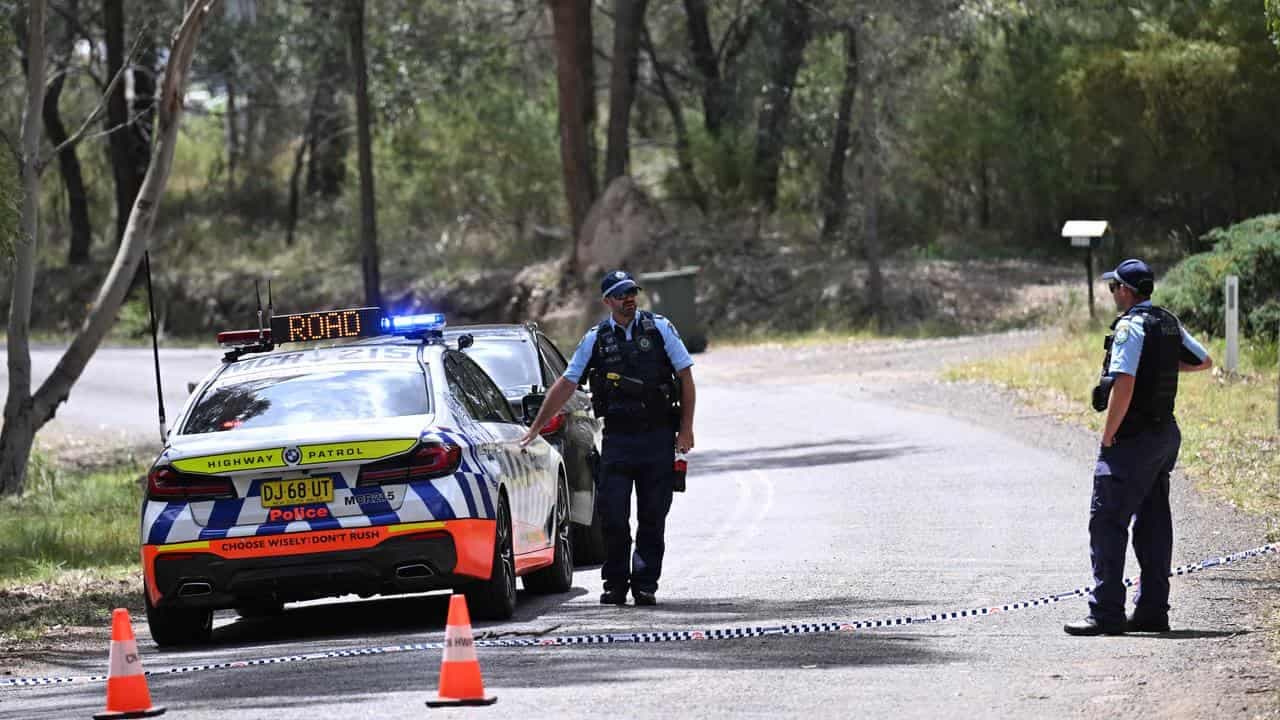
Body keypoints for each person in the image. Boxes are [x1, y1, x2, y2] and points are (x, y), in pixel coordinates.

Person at [521, 269, 695, 607]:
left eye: (632, 292)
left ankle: (645, 584)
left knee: (652, 517)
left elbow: (685, 376)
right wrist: (536, 426)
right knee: (613, 517)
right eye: (620, 295)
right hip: (617, 441)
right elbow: (567, 384)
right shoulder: (596, 338)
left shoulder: (659, 328)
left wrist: (686, 429)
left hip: (657, 437)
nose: (628, 299)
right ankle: (615, 584)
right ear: (608, 302)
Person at [1065, 258, 1213, 636]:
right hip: (1164, 436)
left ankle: (1106, 613)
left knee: (1107, 521)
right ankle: (1151, 611)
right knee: (1153, 523)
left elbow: (1125, 383)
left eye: (1114, 287)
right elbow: (1202, 361)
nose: (1113, 293)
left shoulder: (1130, 327)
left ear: (1126, 291)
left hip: (1133, 440)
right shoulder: (1167, 321)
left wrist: (1108, 434)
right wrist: (1157, 365)